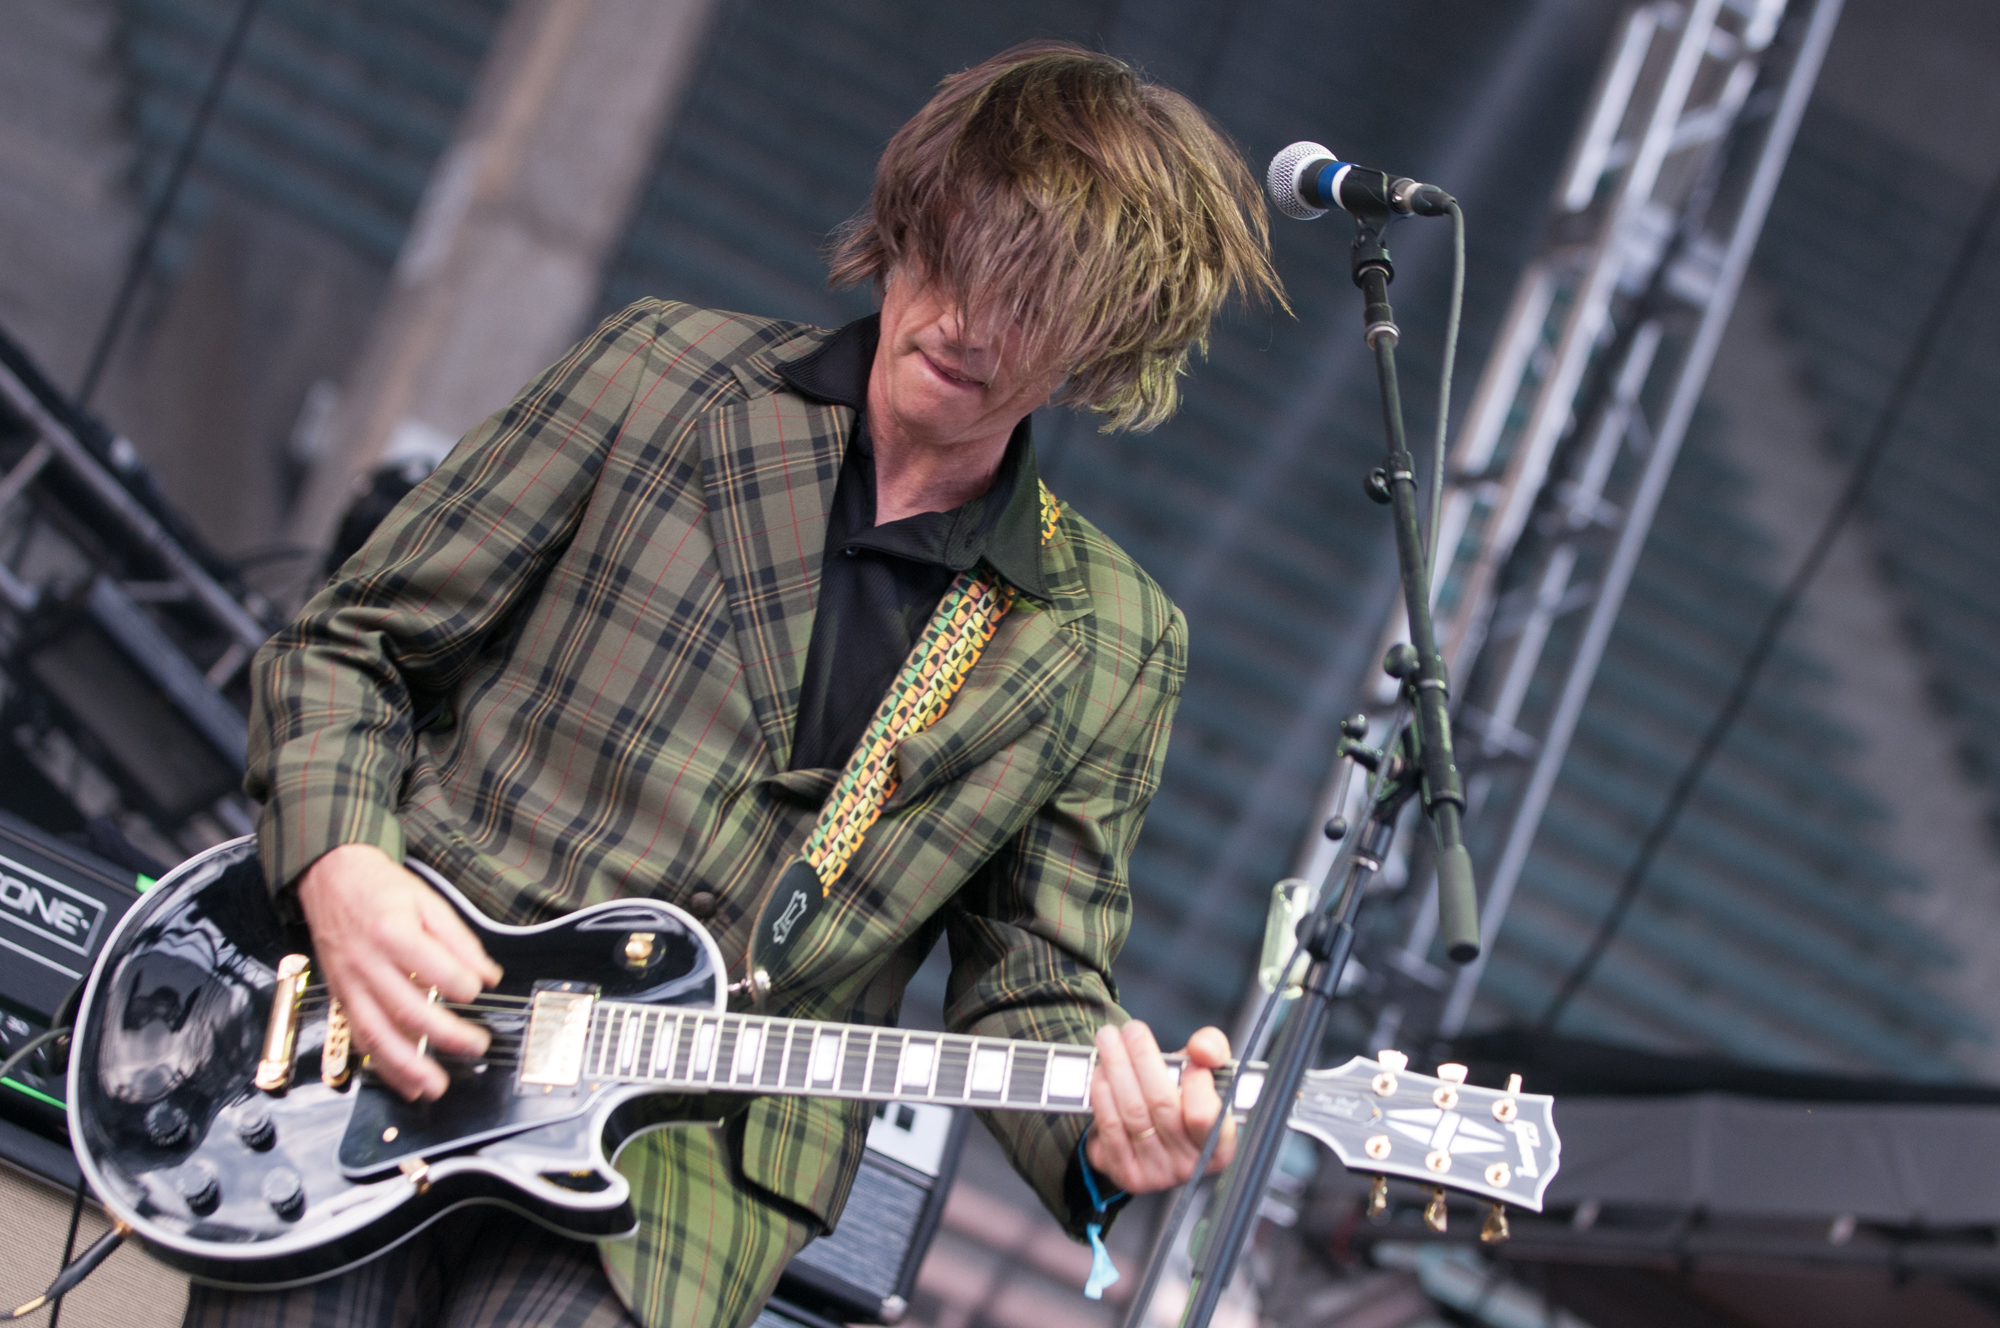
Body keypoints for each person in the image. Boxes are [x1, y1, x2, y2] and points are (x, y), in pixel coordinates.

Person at [197, 39, 1284, 1328]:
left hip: (686, 1171)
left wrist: (1109, 1138)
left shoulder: (1108, 636)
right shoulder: (659, 375)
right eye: (959, 263)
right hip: (399, 1025)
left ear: (1104, 348)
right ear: (909, 223)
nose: (971, 325)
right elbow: (350, 646)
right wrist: (342, 869)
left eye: (1035, 306)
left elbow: (1030, 985)